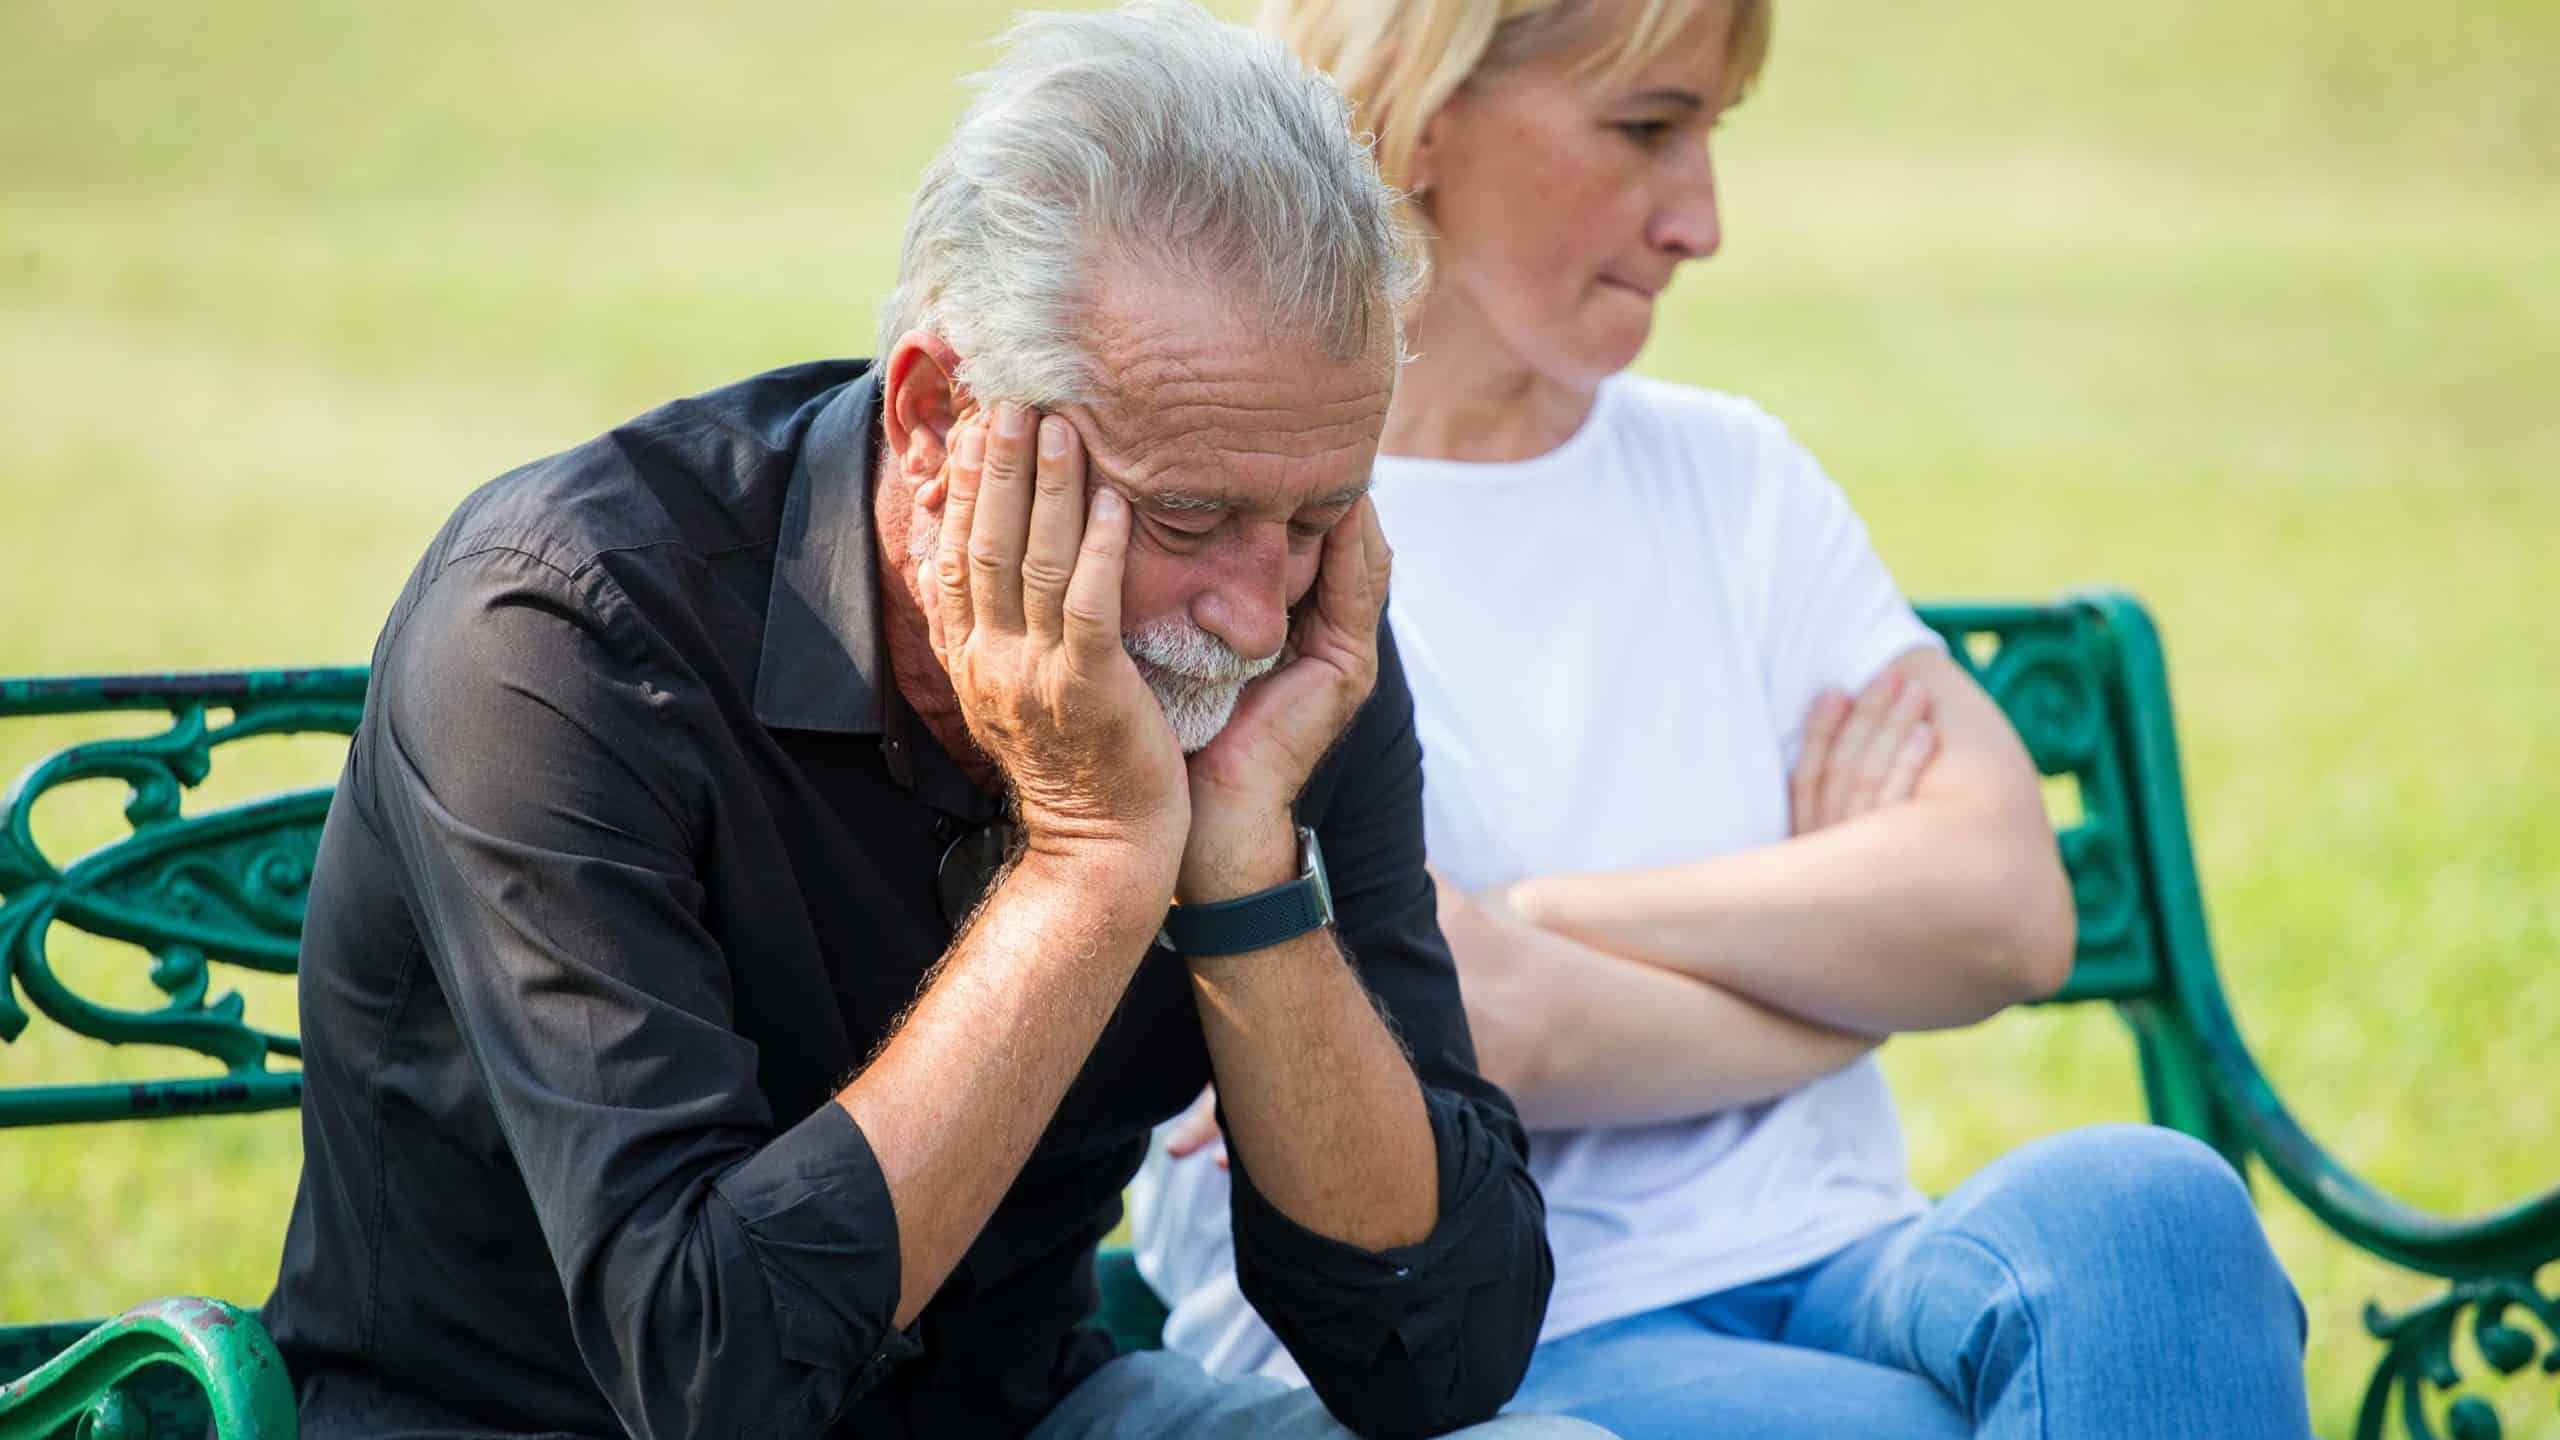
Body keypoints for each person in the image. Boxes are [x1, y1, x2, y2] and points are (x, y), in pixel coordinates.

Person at [261, 6, 1603, 1437]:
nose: (1255, 617)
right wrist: (1089, 865)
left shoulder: (1279, 640)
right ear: (936, 416)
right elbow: (712, 1377)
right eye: (1187, 514)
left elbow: (1438, 1355)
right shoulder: (563, 634)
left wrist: (1244, 872)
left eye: (1319, 513)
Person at [1129, 0, 2315, 1435]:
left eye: (1708, 133)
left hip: (1845, 1262)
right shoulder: (1251, 523)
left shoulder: (1734, 478)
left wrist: (1538, 912)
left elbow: (2005, 909)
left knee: (2150, 1206)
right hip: (1489, 1340)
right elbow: (1492, 1028)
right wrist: (1835, 983)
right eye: (1646, 127)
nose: (1701, 220)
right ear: (1423, 114)